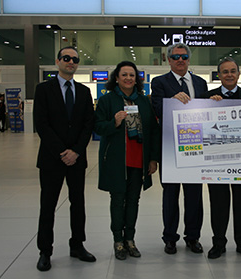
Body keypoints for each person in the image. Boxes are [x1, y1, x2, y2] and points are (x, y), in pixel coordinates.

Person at [34, 46, 96, 271]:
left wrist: (76, 151)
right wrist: (63, 151)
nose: (71, 62)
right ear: (58, 61)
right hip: (52, 159)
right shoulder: (43, 90)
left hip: (77, 159)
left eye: (75, 59)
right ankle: (45, 251)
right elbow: (42, 124)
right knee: (48, 205)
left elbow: (88, 124)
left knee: (77, 203)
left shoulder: (83, 91)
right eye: (67, 58)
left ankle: (77, 245)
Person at [94, 61, 160, 260]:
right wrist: (114, 122)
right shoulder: (107, 101)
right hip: (116, 160)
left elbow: (153, 131)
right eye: (124, 75)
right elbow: (98, 127)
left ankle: (130, 239)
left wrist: (153, 159)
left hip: (138, 160)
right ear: (117, 77)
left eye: (132, 75)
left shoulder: (143, 101)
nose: (128, 78)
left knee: (133, 201)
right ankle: (118, 241)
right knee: (117, 200)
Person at [151, 43, 207, 255]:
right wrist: (171, 101)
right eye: (175, 57)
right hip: (170, 150)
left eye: (184, 56)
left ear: (189, 59)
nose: (180, 60)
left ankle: (193, 237)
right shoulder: (159, 83)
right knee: (170, 196)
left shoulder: (200, 83)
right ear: (168, 60)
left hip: (196, 148)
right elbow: (156, 108)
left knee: (194, 196)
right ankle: (170, 238)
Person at [204, 57, 241, 259]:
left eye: (232, 71)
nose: (229, 75)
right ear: (219, 75)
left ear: (238, 74)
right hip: (216, 161)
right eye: (224, 71)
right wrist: (208, 106)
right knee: (218, 203)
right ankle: (218, 243)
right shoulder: (207, 97)